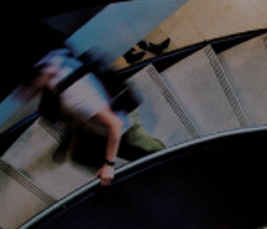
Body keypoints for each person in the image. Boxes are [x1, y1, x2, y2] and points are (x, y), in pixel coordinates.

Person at [21, 48, 165, 186]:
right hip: (107, 113)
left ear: (38, 77)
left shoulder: (75, 96)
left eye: (27, 89)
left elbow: (116, 124)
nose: (24, 95)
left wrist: (109, 165)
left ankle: (165, 161)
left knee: (143, 150)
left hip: (123, 124)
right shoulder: (58, 59)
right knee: (80, 156)